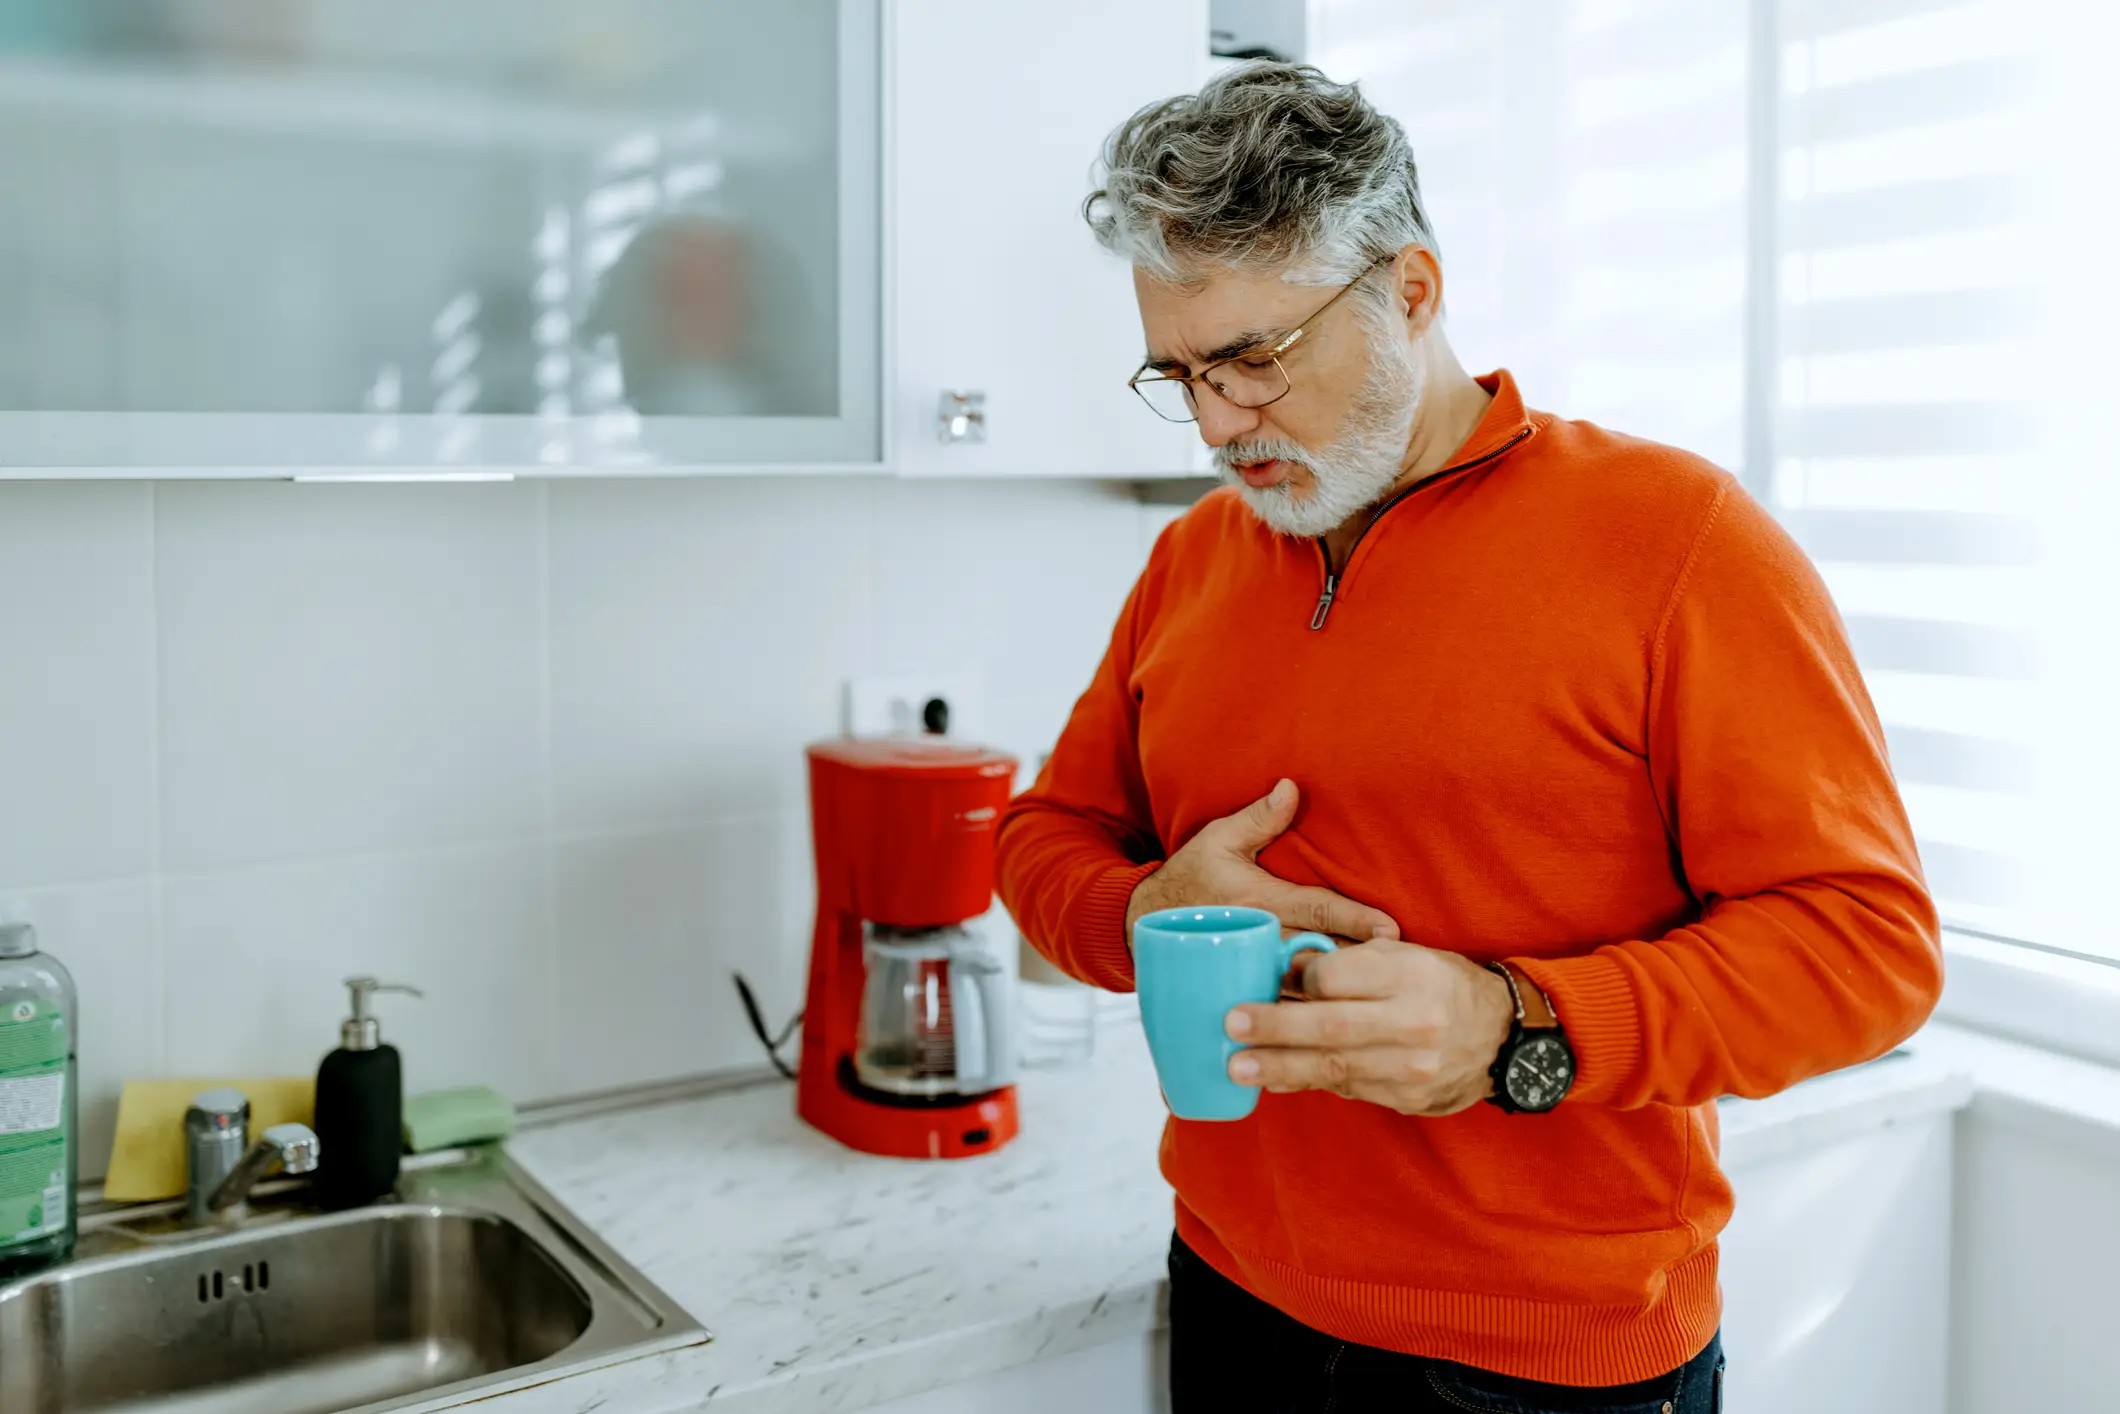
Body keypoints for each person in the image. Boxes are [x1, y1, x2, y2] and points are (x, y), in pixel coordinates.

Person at [994, 63, 1941, 1414]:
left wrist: (1517, 1024)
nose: (1214, 424)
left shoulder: (1676, 541)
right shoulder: (1192, 560)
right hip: (1231, 1291)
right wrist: (1142, 904)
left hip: (1547, 1362)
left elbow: (1869, 948)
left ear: (1412, 290)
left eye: (1256, 357)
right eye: (1182, 374)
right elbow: (1042, 841)